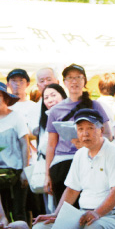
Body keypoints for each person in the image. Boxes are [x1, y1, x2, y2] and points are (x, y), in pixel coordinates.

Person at [32, 109, 115, 229]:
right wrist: (56, 214)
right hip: (83, 216)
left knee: (92, 227)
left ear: (101, 130)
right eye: (80, 129)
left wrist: (97, 213)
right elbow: (72, 190)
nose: (85, 134)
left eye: (90, 128)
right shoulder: (80, 155)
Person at [44, 64, 111, 206]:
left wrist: (90, 142)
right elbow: (51, 145)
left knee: (88, 205)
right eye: (70, 78)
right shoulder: (56, 110)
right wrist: (47, 175)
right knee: (65, 208)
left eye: (78, 77)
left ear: (84, 81)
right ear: (65, 82)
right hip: (63, 161)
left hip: (90, 157)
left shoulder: (95, 105)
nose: (74, 81)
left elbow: (108, 135)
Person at [0, 81, 30, 223]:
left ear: (6, 98)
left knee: (18, 211)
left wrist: (25, 170)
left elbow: (24, 144)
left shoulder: (17, 117)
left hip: (15, 171)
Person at [38, 84, 68, 213]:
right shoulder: (44, 121)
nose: (50, 100)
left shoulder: (70, 116)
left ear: (63, 96)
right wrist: (47, 175)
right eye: (46, 97)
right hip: (52, 169)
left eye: (53, 95)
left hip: (66, 167)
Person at [6, 68, 39, 135]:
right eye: (13, 80)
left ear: (27, 84)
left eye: (21, 81)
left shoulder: (35, 106)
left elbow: (37, 131)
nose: (17, 84)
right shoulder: (3, 106)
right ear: (8, 84)